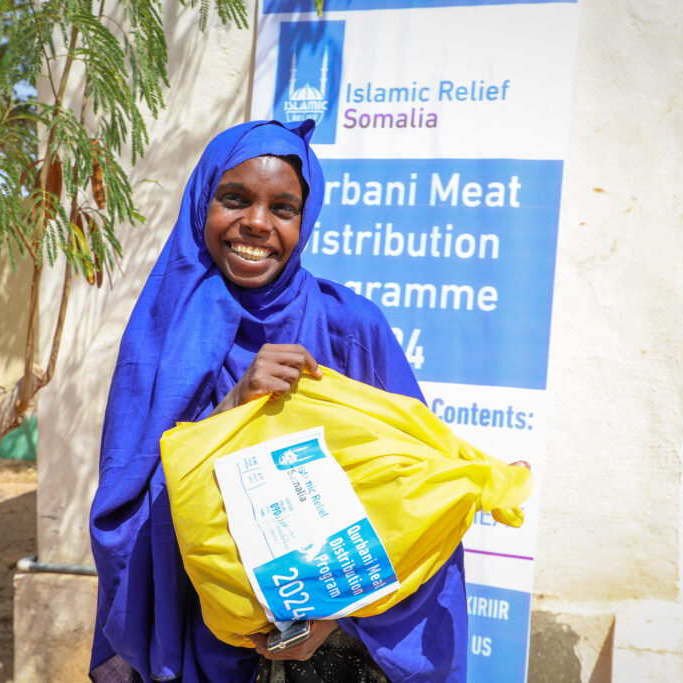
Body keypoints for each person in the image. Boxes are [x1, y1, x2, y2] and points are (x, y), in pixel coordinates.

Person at [89, 120, 467, 683]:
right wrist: (233, 411)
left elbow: (417, 489)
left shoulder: (349, 328)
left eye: (283, 208)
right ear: (202, 203)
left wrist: (335, 617)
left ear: (304, 220)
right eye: (234, 199)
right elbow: (128, 514)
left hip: (334, 649)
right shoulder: (161, 338)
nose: (257, 224)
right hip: (195, 637)